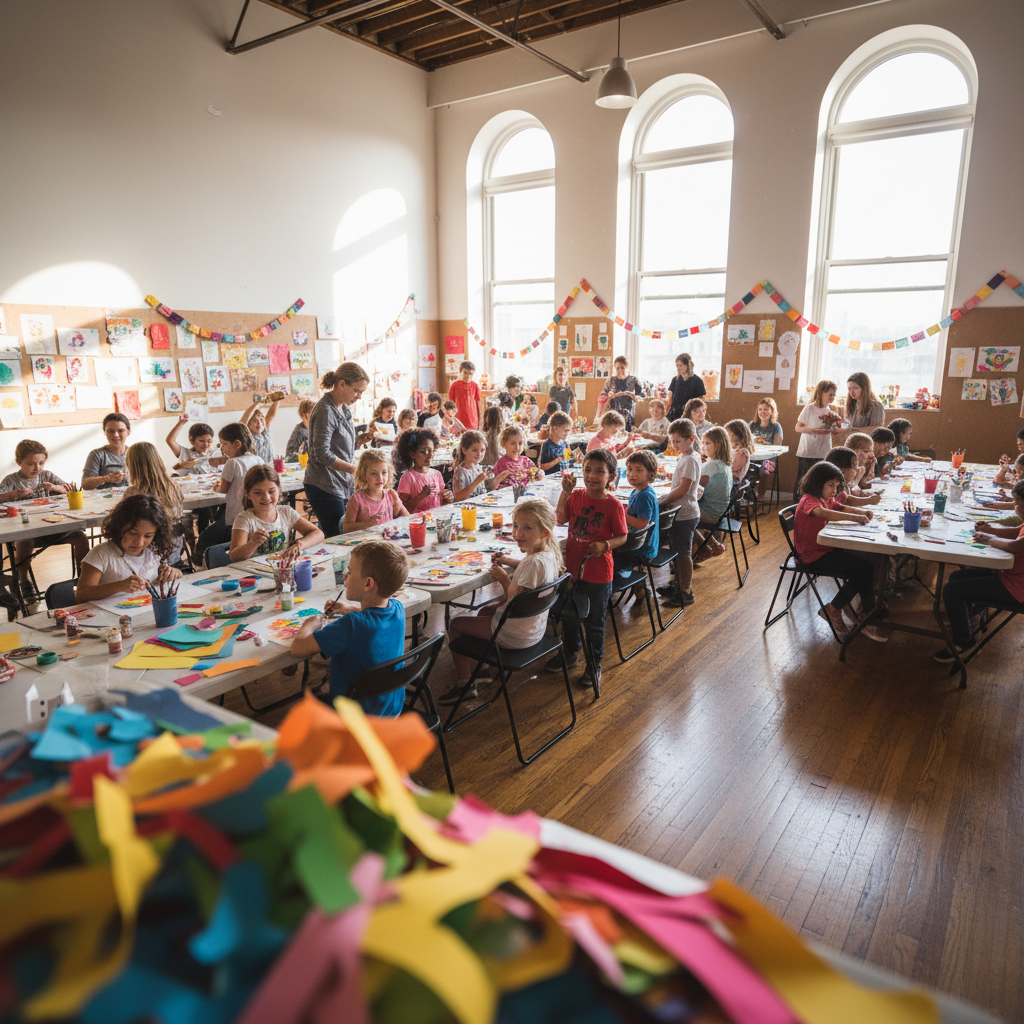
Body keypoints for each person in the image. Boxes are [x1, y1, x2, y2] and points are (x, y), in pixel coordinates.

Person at [440, 499, 563, 705]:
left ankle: (465, 683)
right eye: (516, 526)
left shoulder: (531, 564)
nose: (518, 533)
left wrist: (502, 577)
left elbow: (514, 601)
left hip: (516, 635)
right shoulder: (548, 555)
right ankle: (484, 670)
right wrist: (507, 562)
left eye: (526, 528)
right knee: (485, 610)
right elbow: (527, 567)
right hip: (535, 630)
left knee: (456, 624)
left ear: (544, 533)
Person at [289, 540, 409, 716]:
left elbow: (298, 648)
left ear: (368, 584)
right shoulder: (397, 608)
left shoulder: (353, 624)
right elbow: (376, 617)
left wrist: (311, 623)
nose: (345, 576)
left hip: (355, 719)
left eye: (350, 572)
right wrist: (348, 608)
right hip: (390, 708)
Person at [551, 448, 628, 691]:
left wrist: (606, 544)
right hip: (573, 570)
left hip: (598, 575)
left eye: (599, 471)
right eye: (587, 470)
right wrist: (565, 493)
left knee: (595, 622)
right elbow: (560, 519)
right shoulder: (576, 496)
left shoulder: (614, 505)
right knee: (570, 616)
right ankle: (570, 651)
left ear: (611, 476)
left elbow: (623, 536)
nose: (591, 475)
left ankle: (594, 663)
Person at [793, 461, 886, 643]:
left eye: (836, 486)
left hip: (824, 550)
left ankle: (867, 612)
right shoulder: (809, 500)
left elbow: (839, 507)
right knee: (860, 573)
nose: (834, 490)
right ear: (816, 482)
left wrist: (862, 511)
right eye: (831, 485)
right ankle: (834, 608)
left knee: (867, 566)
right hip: (810, 557)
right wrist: (856, 517)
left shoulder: (824, 498)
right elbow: (824, 513)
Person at [936, 480, 1024, 661]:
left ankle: (964, 641)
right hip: (1011, 576)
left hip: (1017, 588)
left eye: (1016, 502)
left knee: (951, 591)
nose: (1014, 506)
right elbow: (1017, 531)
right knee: (956, 577)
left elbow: (1015, 546)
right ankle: (964, 622)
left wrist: (989, 540)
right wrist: (991, 530)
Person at [0, 440, 89, 590]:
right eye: (31, 463)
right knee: (24, 543)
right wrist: (13, 494)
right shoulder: (12, 480)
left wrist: (55, 487)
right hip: (28, 531)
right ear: (19, 462)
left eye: (41, 463)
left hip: (54, 527)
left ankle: (84, 577)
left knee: (80, 537)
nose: (37, 468)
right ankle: (23, 581)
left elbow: (70, 490)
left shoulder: (46, 475)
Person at [75, 494, 182, 602]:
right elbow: (81, 594)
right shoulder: (101, 554)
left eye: (148, 536)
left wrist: (174, 572)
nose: (139, 542)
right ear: (119, 526)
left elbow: (160, 576)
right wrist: (119, 586)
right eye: (132, 533)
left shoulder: (152, 552)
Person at [304, 362, 369, 538]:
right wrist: (354, 469)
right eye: (357, 390)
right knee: (337, 535)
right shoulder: (325, 410)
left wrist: (361, 441)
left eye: (362, 392)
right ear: (341, 384)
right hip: (324, 484)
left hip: (341, 482)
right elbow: (321, 453)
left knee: (347, 533)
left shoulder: (345, 408)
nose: (359, 396)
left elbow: (341, 447)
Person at [196, 423, 264, 559]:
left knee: (205, 539)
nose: (223, 448)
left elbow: (224, 489)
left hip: (235, 516)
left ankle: (206, 561)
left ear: (237, 444)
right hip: (256, 514)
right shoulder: (258, 459)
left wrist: (216, 487)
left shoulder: (233, 463)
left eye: (225, 444)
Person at [229, 465, 324, 559]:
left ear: (279, 490)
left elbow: (318, 533)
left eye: (271, 491)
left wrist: (300, 544)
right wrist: (252, 543)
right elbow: (234, 556)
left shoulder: (286, 512)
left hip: (282, 569)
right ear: (247, 494)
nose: (266, 497)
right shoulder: (244, 519)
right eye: (258, 492)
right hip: (253, 572)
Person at [657, 418, 701, 609]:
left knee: (683, 554)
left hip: (686, 513)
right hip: (680, 511)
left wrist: (664, 500)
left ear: (691, 439)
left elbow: (683, 489)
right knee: (677, 551)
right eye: (672, 441)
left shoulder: (691, 459)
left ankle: (685, 591)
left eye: (677, 441)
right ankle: (677, 585)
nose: (673, 445)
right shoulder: (686, 456)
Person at [124, 442, 186, 566]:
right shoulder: (174, 485)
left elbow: (125, 522)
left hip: (149, 549)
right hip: (175, 546)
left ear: (132, 465)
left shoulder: (134, 492)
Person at [614, 450, 660, 594]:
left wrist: (622, 514)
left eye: (638, 470)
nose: (632, 474)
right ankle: (639, 586)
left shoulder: (644, 496)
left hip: (642, 549)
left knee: (608, 552)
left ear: (650, 474)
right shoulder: (638, 491)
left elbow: (642, 524)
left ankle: (611, 586)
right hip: (644, 544)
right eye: (630, 469)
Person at [794, 379, 843, 494]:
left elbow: (830, 429)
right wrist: (816, 431)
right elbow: (798, 428)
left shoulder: (830, 411)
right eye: (830, 394)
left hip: (823, 451)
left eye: (834, 395)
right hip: (808, 451)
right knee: (803, 480)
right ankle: (797, 507)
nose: (832, 397)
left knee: (818, 481)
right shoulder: (809, 408)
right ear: (821, 393)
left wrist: (835, 430)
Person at [342, 450, 410, 532]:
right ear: (363, 474)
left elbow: (407, 518)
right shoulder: (356, 499)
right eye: (373, 473)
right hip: (366, 542)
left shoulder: (391, 495)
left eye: (384, 472)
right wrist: (367, 524)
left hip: (387, 541)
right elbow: (346, 529)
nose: (380, 478)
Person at [693, 426, 733, 562]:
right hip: (721, 511)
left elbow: (694, 487)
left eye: (707, 443)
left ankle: (703, 547)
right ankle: (714, 543)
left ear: (718, 445)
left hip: (710, 512)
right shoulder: (724, 464)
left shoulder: (712, 466)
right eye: (703, 443)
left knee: (679, 515)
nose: (703, 447)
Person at [396, 429, 452, 512]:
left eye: (431, 451)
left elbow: (441, 503)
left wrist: (447, 498)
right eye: (423, 452)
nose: (429, 455)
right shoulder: (408, 477)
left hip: (435, 519)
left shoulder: (437, 474)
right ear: (412, 454)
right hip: (417, 522)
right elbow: (401, 510)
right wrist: (421, 496)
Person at [451, 430, 507, 501]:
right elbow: (458, 498)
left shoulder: (477, 467)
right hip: (467, 509)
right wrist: (476, 481)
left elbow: (484, 490)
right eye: (474, 450)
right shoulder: (460, 472)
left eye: (482, 450)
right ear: (464, 450)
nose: (479, 454)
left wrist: (498, 479)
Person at [82, 412, 131, 489]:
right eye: (110, 431)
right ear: (105, 432)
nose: (115, 435)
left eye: (120, 431)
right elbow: (85, 485)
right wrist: (107, 478)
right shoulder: (97, 454)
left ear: (128, 432)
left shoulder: (136, 453)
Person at [749, 398, 782, 498]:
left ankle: (760, 497)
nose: (763, 412)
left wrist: (764, 444)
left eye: (766, 409)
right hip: (753, 457)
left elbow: (777, 446)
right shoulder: (752, 425)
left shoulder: (776, 426)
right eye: (760, 409)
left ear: (772, 411)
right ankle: (747, 495)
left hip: (768, 458)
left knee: (764, 470)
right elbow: (745, 441)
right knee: (742, 467)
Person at [599, 356, 644, 431]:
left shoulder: (633, 380)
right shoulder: (610, 380)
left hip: (629, 415)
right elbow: (602, 396)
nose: (620, 370)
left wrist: (636, 398)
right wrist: (609, 395)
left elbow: (641, 396)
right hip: (613, 415)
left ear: (626, 367)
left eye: (622, 368)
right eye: (617, 368)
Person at [239, 397, 281, 465]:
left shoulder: (265, 432)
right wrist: (256, 403)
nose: (259, 423)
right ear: (249, 424)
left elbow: (270, 415)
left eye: (261, 419)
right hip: (256, 472)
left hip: (271, 469)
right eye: (255, 421)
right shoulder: (246, 436)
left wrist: (277, 400)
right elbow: (243, 421)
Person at [667, 353, 707, 421]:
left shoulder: (698, 381)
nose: (678, 368)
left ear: (687, 366)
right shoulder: (675, 380)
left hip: (690, 416)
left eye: (680, 366)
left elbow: (701, 401)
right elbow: (669, 399)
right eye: (677, 366)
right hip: (674, 415)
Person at [448, 360, 484, 431]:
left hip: (473, 421)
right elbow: (450, 405)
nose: (468, 375)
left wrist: (480, 422)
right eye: (465, 373)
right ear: (460, 372)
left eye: (470, 373)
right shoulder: (454, 385)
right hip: (459, 420)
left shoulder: (475, 386)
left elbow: (478, 405)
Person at [725, 419, 756, 483]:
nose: (725, 436)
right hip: (726, 476)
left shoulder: (742, 452)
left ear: (737, 435)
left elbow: (734, 468)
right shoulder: (730, 448)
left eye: (728, 434)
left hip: (733, 480)